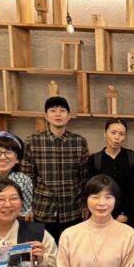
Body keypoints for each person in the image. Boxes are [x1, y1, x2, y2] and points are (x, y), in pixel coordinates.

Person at [21, 96, 88, 243]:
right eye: (53, 110)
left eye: (62, 110)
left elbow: (84, 177)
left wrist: (85, 204)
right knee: (45, 250)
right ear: (46, 116)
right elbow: (27, 178)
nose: (58, 114)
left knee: (73, 248)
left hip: (72, 208)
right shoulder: (32, 141)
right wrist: (27, 207)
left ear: (69, 116)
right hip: (43, 208)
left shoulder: (79, 142)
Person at [87, 118, 134, 231]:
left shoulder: (132, 156)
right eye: (113, 132)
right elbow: (93, 191)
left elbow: (132, 188)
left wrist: (123, 213)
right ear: (105, 133)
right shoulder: (94, 159)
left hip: (127, 212)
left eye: (121, 134)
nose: (117, 137)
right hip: (102, 211)